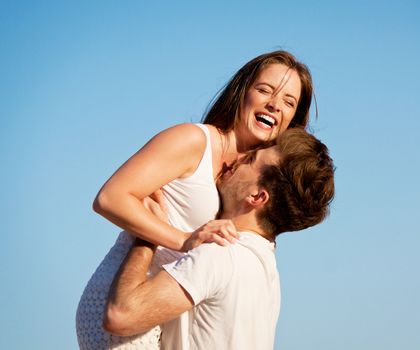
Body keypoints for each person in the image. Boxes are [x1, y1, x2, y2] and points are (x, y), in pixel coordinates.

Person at [76, 50, 315, 349]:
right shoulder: (193, 141)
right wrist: (183, 239)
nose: (274, 105)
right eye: (265, 90)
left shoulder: (254, 176)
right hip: (121, 302)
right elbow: (110, 198)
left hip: (159, 311)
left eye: (288, 102)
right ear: (242, 92)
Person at [103, 128, 335, 350]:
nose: (238, 159)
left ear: (256, 196)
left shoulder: (221, 254)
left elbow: (120, 315)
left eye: (251, 160)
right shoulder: (267, 273)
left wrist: (148, 238)